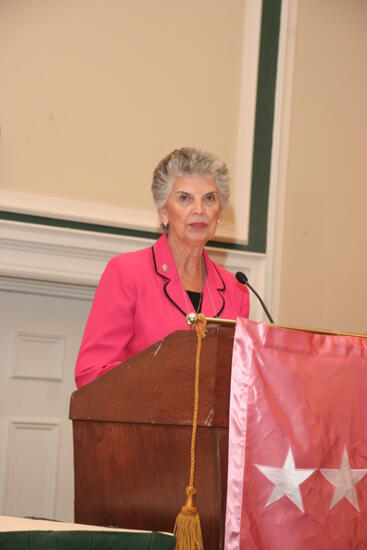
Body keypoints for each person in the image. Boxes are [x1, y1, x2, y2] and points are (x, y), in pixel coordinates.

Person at [75, 147, 249, 388]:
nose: (199, 210)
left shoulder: (234, 289)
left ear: (219, 212)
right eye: (185, 198)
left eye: (209, 198)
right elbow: (92, 372)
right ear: (164, 212)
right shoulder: (127, 273)